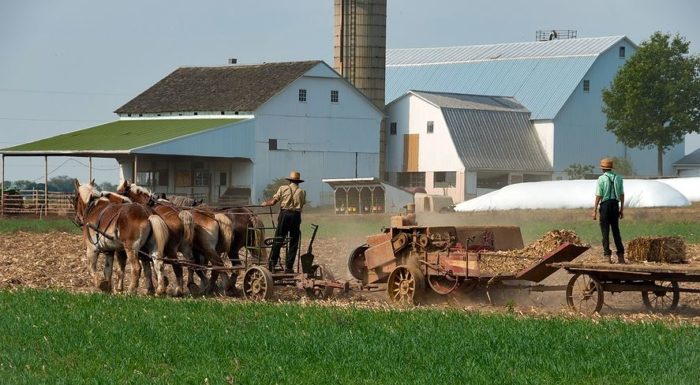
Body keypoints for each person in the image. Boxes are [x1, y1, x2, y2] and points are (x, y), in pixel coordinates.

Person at [261, 170, 306, 273]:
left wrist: (265, 203)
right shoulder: (302, 192)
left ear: (289, 181)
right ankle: (289, 268)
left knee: (278, 239)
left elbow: (273, 202)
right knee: (294, 242)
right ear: (298, 182)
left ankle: (272, 264)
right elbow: (302, 205)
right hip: (296, 216)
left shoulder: (283, 188)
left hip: (285, 215)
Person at [592, 158, 625, 264]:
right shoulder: (619, 178)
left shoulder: (601, 179)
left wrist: (595, 210)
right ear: (611, 168)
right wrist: (621, 209)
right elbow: (622, 194)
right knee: (616, 231)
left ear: (603, 169)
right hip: (615, 205)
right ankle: (620, 256)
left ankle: (607, 256)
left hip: (605, 206)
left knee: (605, 232)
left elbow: (599, 195)